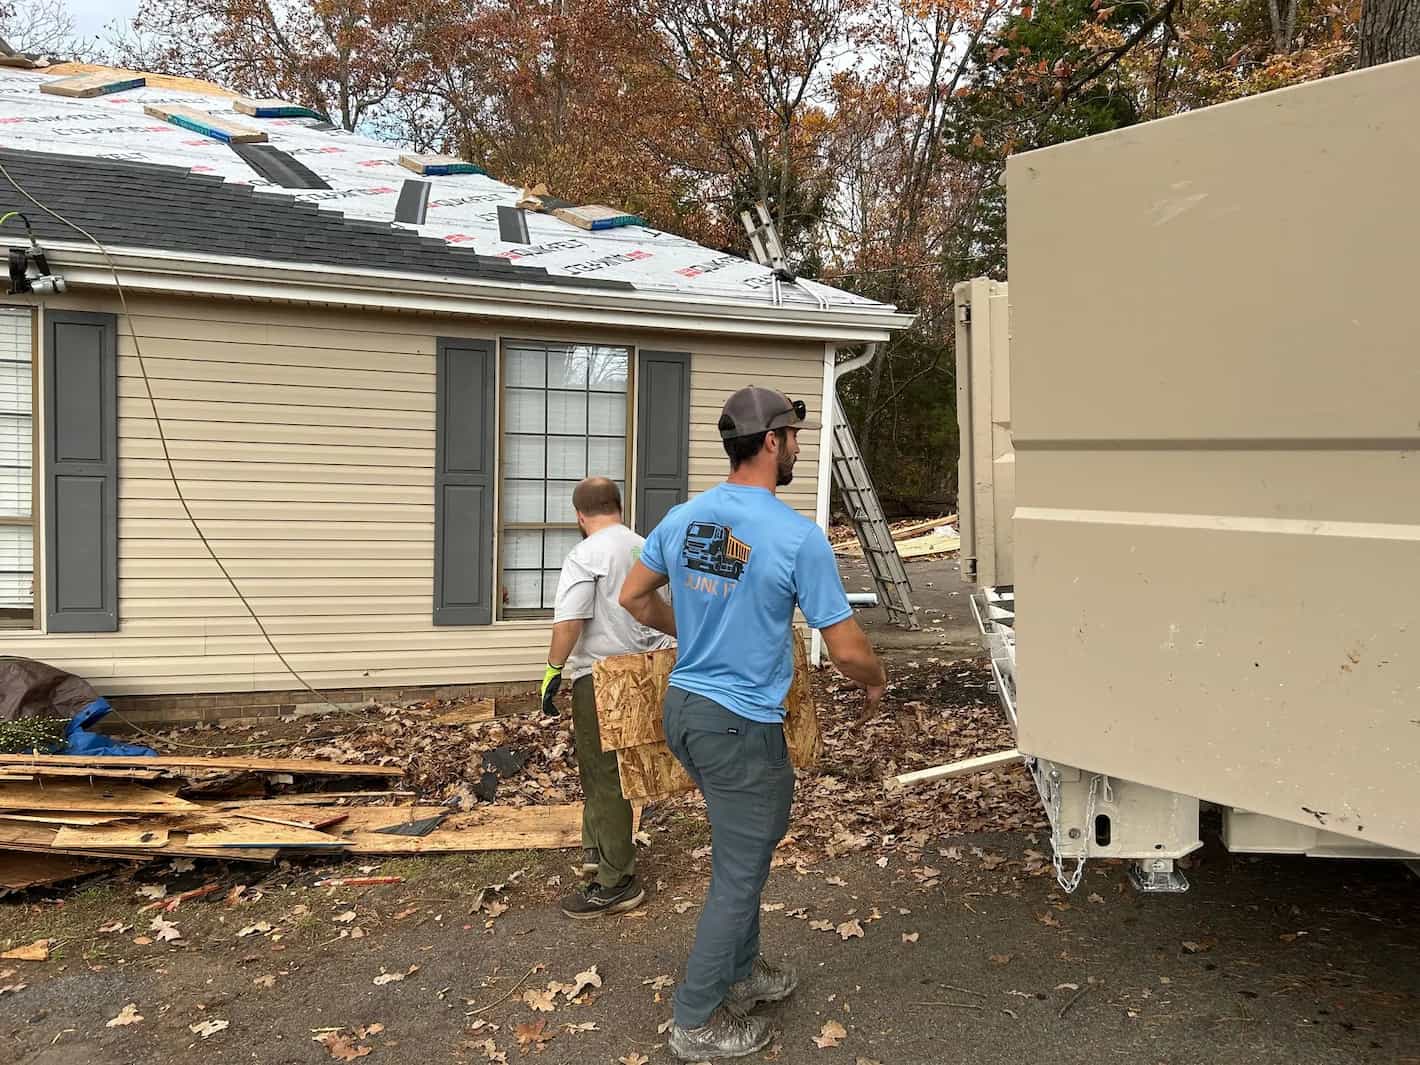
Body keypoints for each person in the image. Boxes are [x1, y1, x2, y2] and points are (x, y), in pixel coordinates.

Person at [619, 386, 886, 1060]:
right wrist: (876, 679)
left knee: (744, 853)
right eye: (793, 436)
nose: (796, 446)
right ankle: (697, 1019)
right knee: (739, 873)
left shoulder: (684, 518)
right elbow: (847, 649)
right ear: (771, 442)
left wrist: (696, 631)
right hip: (739, 725)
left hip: (687, 710)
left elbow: (633, 597)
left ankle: (742, 971)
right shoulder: (795, 536)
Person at [539, 476, 674, 919]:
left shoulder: (586, 554)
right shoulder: (645, 547)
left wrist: (553, 669)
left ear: (580, 516)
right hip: (649, 670)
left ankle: (617, 882)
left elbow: (570, 621)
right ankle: (597, 850)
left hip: (603, 676)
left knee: (605, 775)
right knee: (619, 770)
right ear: (619, 505)